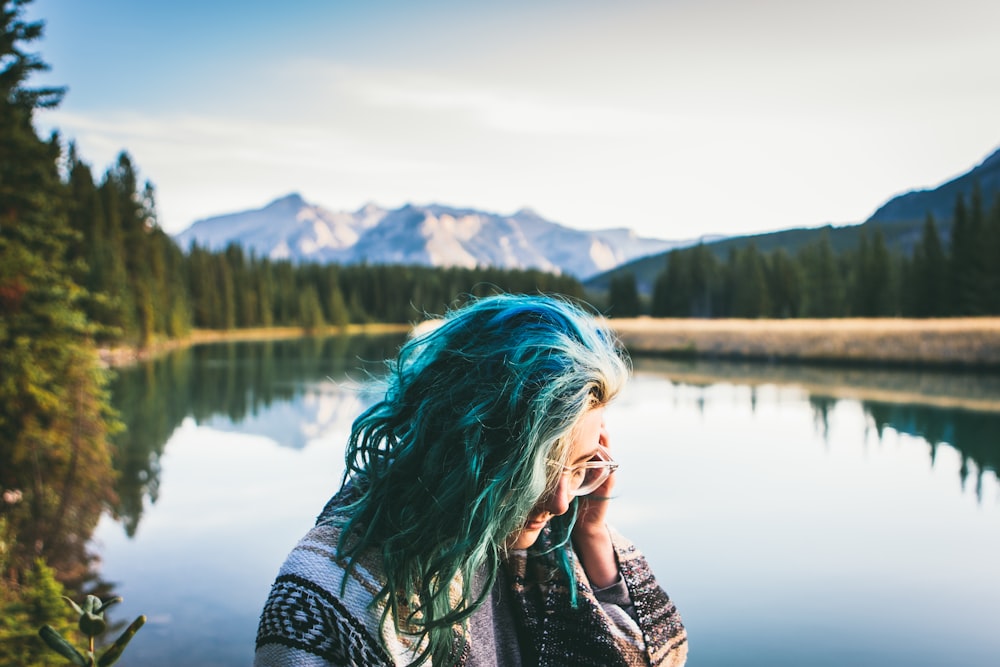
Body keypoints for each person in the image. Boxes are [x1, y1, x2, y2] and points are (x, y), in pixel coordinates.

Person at [254, 294, 687, 666]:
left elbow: (660, 657)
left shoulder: (552, 542)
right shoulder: (326, 594)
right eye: (537, 469)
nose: (560, 502)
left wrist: (592, 532)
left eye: (579, 466)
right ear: (468, 446)